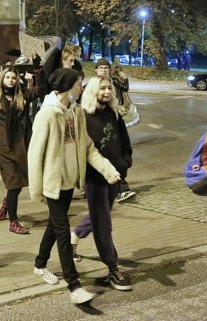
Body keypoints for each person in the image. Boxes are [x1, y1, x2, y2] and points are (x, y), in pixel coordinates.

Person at [28, 68, 121, 305]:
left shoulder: (76, 112)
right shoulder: (47, 114)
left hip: (70, 181)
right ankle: (74, 284)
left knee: (53, 225)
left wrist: (109, 170)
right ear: (69, 86)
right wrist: (37, 189)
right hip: (53, 183)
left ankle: (39, 264)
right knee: (61, 230)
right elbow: (34, 153)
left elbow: (88, 148)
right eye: (80, 83)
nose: (82, 87)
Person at [69, 76, 133, 291]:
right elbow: (83, 149)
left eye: (109, 88)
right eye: (102, 88)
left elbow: (124, 139)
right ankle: (112, 266)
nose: (107, 92)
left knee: (100, 217)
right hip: (95, 178)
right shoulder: (84, 115)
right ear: (93, 91)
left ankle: (74, 237)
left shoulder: (113, 112)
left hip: (115, 175)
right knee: (103, 222)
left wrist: (125, 162)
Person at [0, 66, 45, 234]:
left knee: (17, 185)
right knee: (13, 184)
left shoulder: (22, 96)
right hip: (5, 148)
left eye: (14, 78)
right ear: (2, 79)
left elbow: (40, 90)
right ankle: (14, 222)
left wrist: (37, 75)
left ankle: (6, 204)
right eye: (8, 77)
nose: (11, 80)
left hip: (22, 145)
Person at [95, 58, 135, 203]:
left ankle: (122, 188)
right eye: (101, 68)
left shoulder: (113, 82)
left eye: (106, 68)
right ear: (96, 70)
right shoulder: (91, 85)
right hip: (98, 122)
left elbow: (124, 88)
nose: (104, 70)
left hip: (113, 117)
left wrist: (125, 78)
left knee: (116, 151)